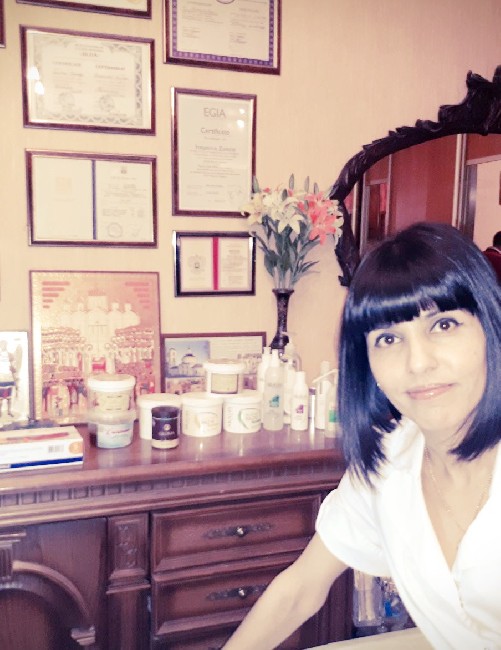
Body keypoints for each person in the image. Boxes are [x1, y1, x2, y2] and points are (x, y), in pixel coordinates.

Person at [223, 222, 501, 650]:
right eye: (388, 338)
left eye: (444, 325)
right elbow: (300, 589)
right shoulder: (388, 463)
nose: (418, 363)